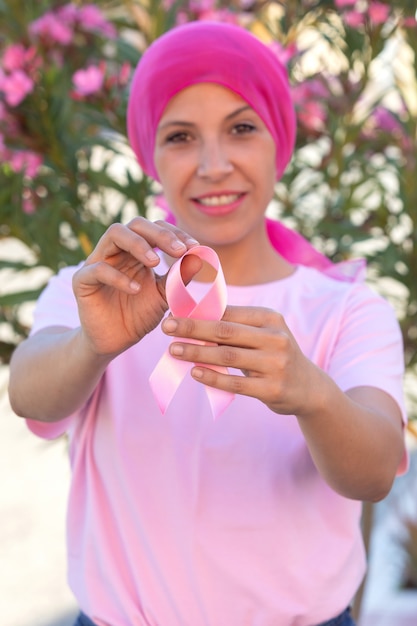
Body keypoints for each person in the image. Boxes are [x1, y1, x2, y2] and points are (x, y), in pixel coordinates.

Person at [8, 20, 407, 626]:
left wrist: (313, 394)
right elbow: (29, 395)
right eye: (180, 137)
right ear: (150, 155)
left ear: (279, 140)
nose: (215, 164)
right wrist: (91, 346)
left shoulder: (347, 308)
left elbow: (377, 471)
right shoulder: (99, 290)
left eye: (242, 128)